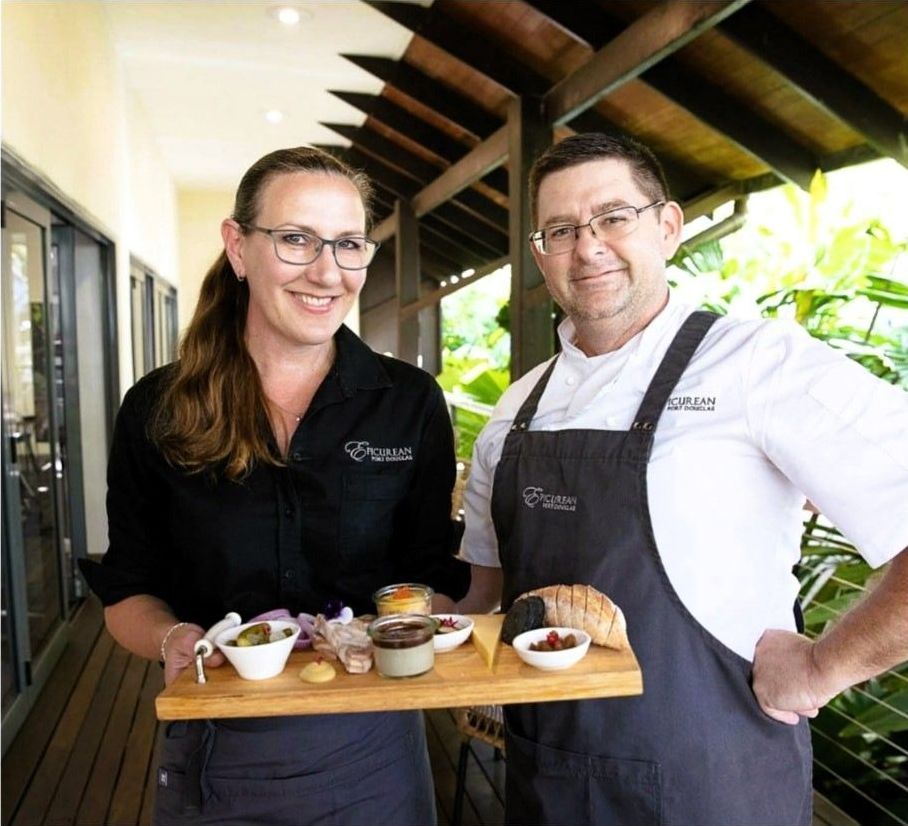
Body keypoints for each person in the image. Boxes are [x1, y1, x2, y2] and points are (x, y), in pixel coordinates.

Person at [458, 132, 908, 825]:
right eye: (562, 229)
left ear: (667, 227)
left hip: (711, 784)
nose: (590, 245)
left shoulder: (758, 365)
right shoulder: (515, 410)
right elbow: (486, 597)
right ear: (541, 254)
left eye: (614, 216)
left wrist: (824, 667)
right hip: (544, 780)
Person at [81, 146, 468, 825]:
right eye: (296, 239)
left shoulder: (407, 402)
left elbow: (432, 574)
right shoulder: (159, 408)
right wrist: (175, 639)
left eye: (348, 245)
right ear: (238, 246)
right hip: (217, 734)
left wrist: (394, 627)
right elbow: (127, 588)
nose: (327, 272)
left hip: (372, 735)